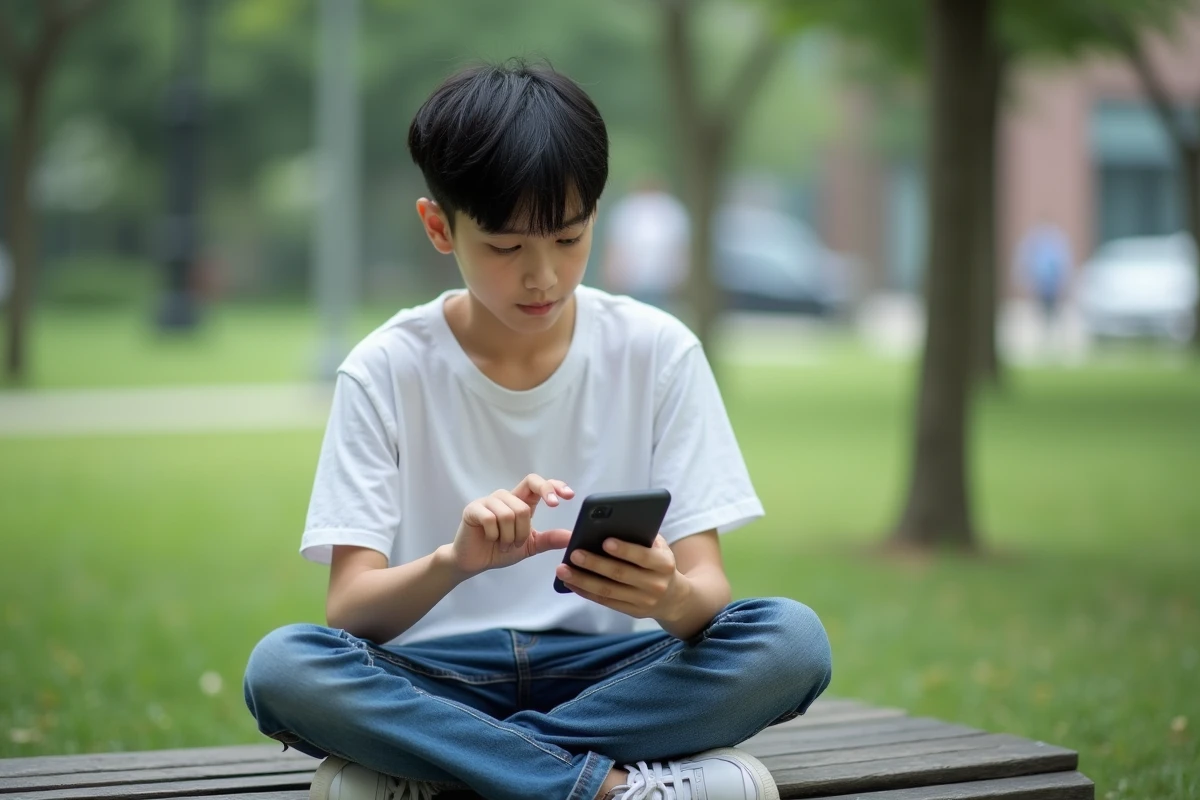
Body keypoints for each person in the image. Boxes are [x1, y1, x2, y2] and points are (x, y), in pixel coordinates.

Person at [243, 59, 832, 800]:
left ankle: (450, 775)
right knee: (283, 668)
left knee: (791, 641)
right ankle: (614, 788)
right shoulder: (385, 369)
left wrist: (667, 598)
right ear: (437, 226)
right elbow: (351, 609)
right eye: (505, 247)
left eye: (569, 238)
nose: (543, 277)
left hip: (612, 675)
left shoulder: (657, 351)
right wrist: (453, 562)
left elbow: (708, 587)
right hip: (441, 677)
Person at [601, 178, 690, 311]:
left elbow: (680, 249)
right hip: (631, 280)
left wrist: (679, 276)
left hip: (662, 281)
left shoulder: (672, 211)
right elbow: (615, 246)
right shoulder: (626, 210)